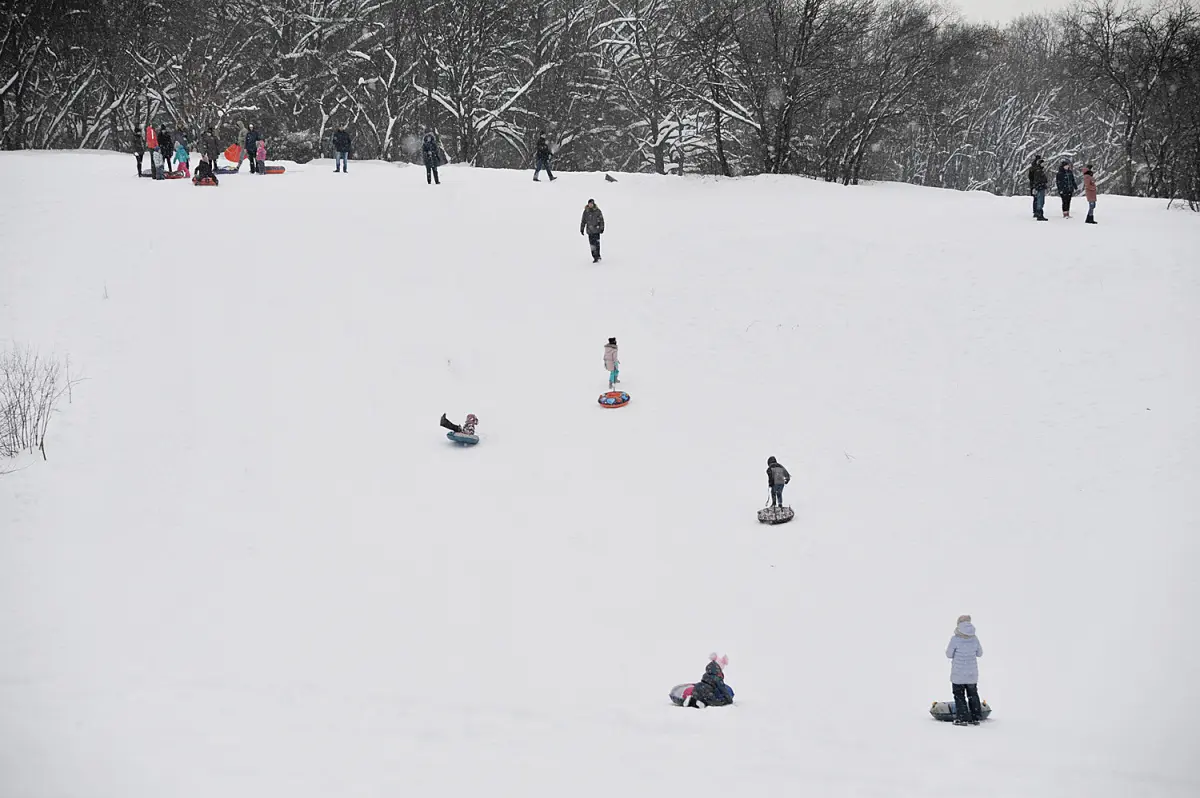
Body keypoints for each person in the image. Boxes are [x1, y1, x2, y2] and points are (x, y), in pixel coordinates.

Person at [946, 615, 984, 726]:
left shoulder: (955, 639)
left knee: (959, 695)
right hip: (971, 673)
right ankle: (976, 717)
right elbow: (980, 653)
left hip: (958, 673)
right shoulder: (974, 638)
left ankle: (962, 718)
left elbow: (949, 654)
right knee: (973, 694)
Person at [1028, 155, 1048, 221]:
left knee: (1037, 199)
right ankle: (1038, 213)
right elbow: (1037, 179)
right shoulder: (1037, 170)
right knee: (1039, 200)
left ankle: (1036, 212)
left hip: (1036, 186)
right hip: (1038, 187)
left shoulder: (1034, 168)